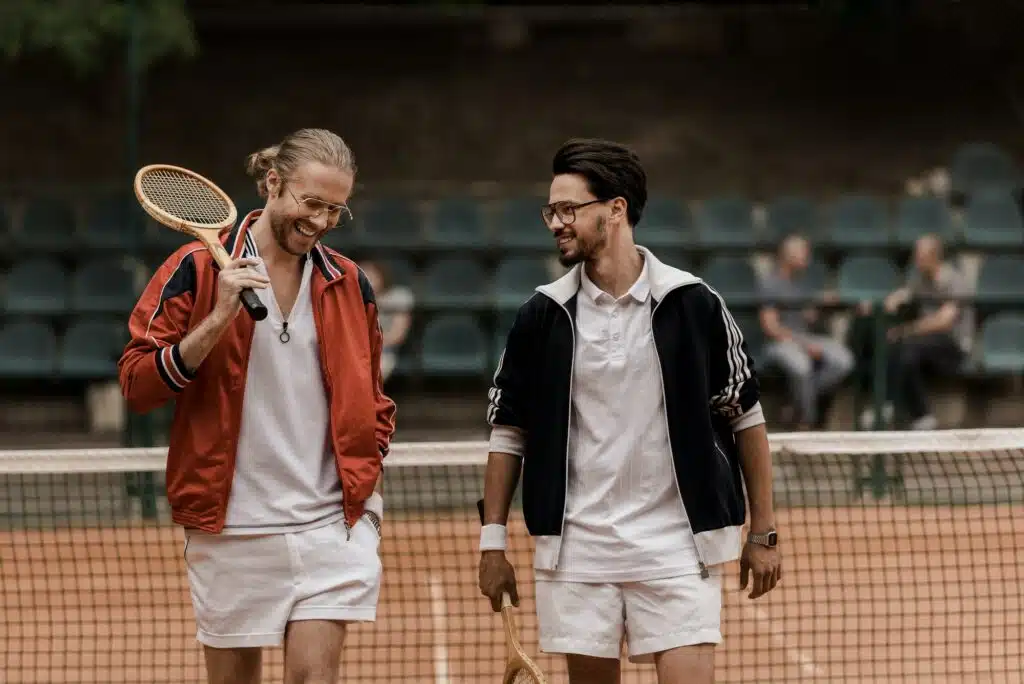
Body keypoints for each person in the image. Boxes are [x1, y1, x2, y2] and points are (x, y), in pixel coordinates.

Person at [477, 138, 781, 684]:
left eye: (569, 209)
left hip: (677, 545)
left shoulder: (694, 304)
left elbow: (746, 418)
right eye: (552, 210)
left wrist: (763, 533)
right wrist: (492, 544)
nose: (555, 222)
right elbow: (509, 432)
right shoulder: (541, 316)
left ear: (616, 209)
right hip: (577, 551)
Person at [118, 128, 396, 684]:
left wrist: (367, 470)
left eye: (335, 210)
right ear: (272, 184)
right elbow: (137, 383)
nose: (319, 221)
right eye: (310, 202)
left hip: (328, 523)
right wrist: (218, 316)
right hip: (232, 527)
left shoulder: (350, 282)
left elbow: (373, 396)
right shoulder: (196, 268)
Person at [857, 234, 973, 430]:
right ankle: (918, 415)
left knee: (906, 345)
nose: (916, 261)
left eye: (920, 257)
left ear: (934, 256)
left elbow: (943, 322)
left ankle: (889, 405)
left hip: (953, 344)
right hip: (925, 343)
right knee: (903, 351)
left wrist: (905, 330)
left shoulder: (955, 281)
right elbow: (899, 297)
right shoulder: (919, 278)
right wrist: (873, 306)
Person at [758, 234, 854, 430]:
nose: (807, 257)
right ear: (787, 255)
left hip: (803, 337)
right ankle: (806, 421)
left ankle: (796, 404)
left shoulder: (800, 282)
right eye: (802, 252)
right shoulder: (770, 283)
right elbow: (771, 327)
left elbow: (805, 317)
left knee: (843, 360)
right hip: (780, 343)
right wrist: (804, 345)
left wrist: (820, 304)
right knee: (802, 367)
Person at [360, 260, 414, 382]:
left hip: (384, 349)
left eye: (371, 276)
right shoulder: (349, 299)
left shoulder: (399, 296)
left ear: (381, 276)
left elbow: (397, 335)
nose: (366, 281)